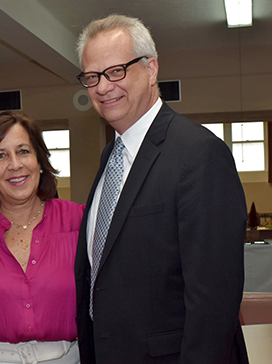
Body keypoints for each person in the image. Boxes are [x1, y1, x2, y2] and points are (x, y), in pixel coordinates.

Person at [74, 15, 248, 363]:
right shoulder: (110, 155)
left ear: (151, 69)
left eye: (116, 71)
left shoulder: (199, 153)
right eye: (92, 77)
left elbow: (214, 301)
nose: (103, 87)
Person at [0, 111, 84, 364]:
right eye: (1, 155)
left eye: (24, 151)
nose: (15, 164)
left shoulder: (78, 221)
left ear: (40, 160)